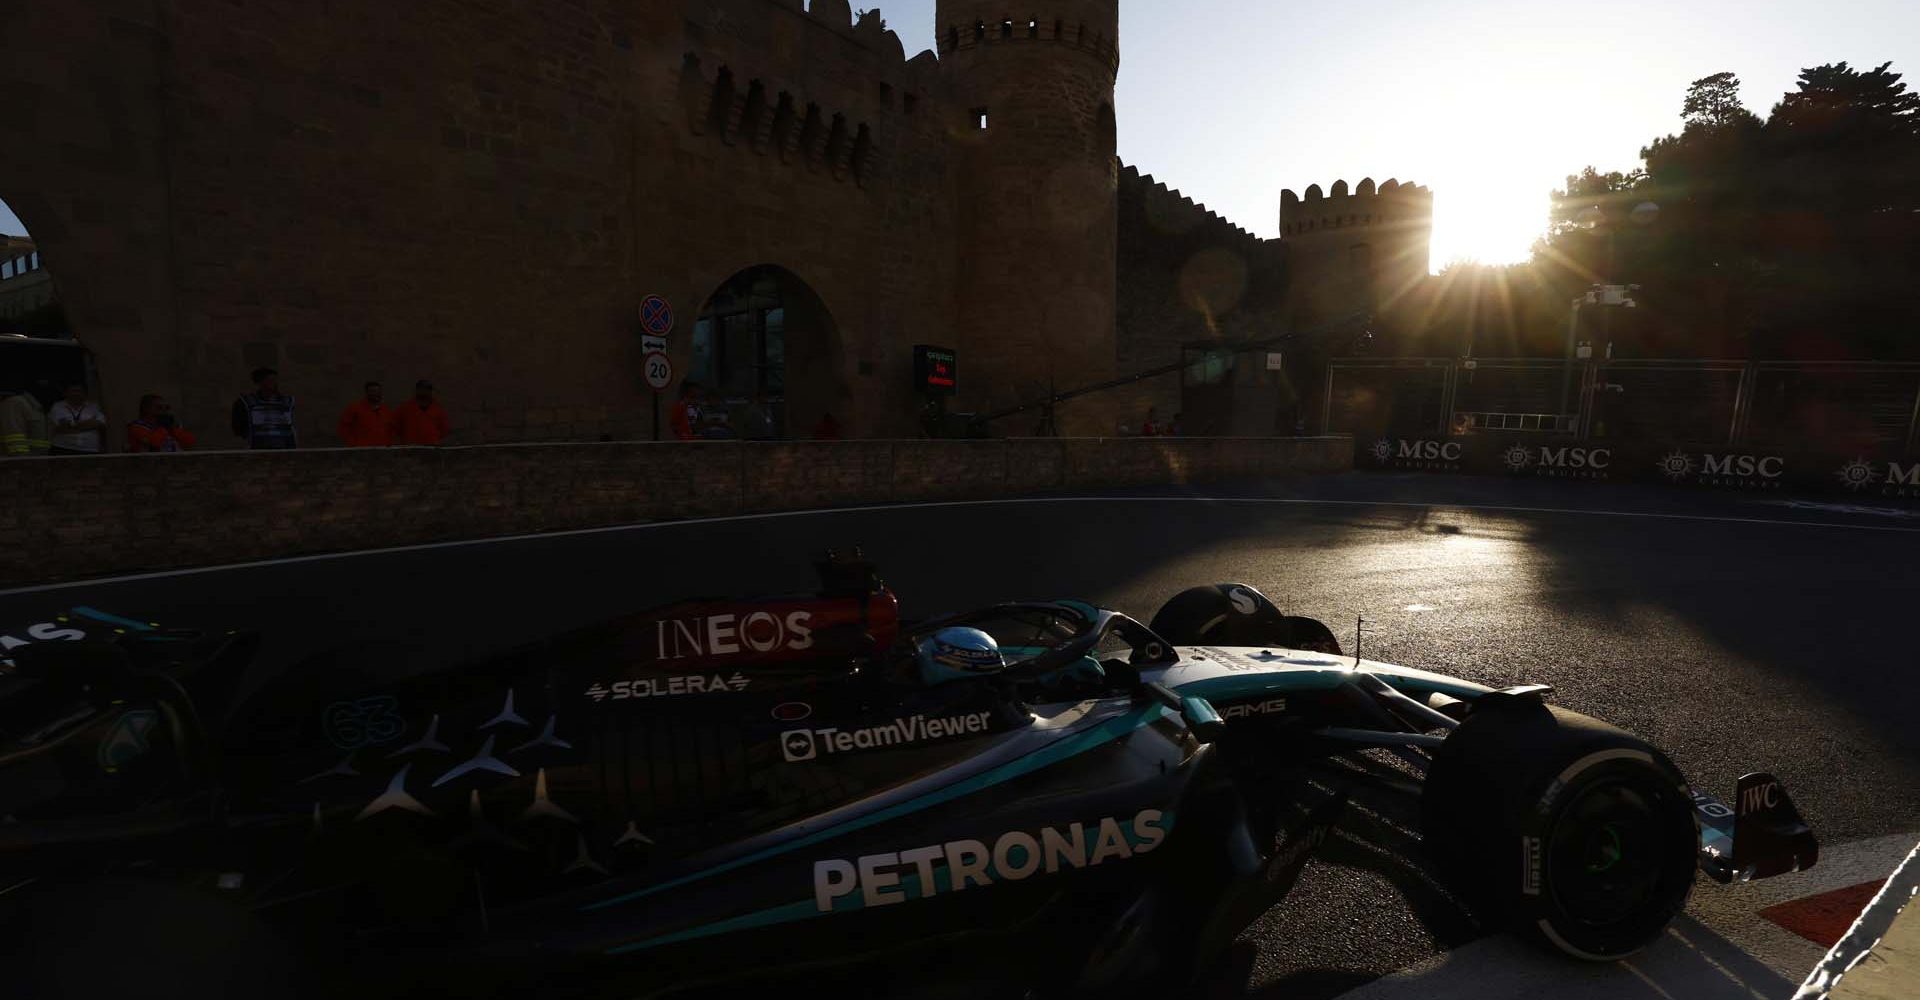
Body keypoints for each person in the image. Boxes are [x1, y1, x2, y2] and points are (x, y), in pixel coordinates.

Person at [231, 367, 297, 449]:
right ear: (260, 382)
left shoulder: (288, 402)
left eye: (274, 380)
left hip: (284, 449)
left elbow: (292, 426)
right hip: (258, 449)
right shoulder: (247, 402)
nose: (273, 383)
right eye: (269, 380)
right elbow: (238, 428)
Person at [46, 384, 106, 455]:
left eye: (79, 391)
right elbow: (63, 426)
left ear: (85, 393)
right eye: (73, 391)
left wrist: (71, 425)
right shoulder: (58, 406)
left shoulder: (94, 407)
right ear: (66, 393)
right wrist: (90, 424)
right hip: (63, 448)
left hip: (90, 449)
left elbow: (100, 424)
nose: (76, 393)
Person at [126, 394, 196, 452]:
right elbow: (154, 443)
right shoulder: (136, 427)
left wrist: (172, 429)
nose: (164, 411)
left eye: (167, 408)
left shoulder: (168, 425)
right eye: (159, 408)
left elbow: (190, 442)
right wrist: (164, 428)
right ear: (146, 409)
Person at [392, 379, 451, 446]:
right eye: (421, 389)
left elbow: (444, 432)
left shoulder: (438, 410)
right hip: (411, 451)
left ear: (431, 392)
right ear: (416, 391)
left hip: (432, 451)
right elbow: (394, 430)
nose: (424, 392)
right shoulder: (404, 409)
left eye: (427, 390)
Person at [337, 381, 393, 447]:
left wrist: (388, 444)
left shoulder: (386, 410)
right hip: (362, 450)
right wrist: (354, 444)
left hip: (383, 449)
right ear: (367, 393)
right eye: (372, 391)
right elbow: (343, 428)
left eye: (378, 391)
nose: (376, 394)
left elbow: (391, 429)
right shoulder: (354, 408)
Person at [1, 385, 50, 457]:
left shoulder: (37, 406)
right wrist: (21, 458)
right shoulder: (15, 403)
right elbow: (13, 435)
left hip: (38, 458)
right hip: (20, 459)